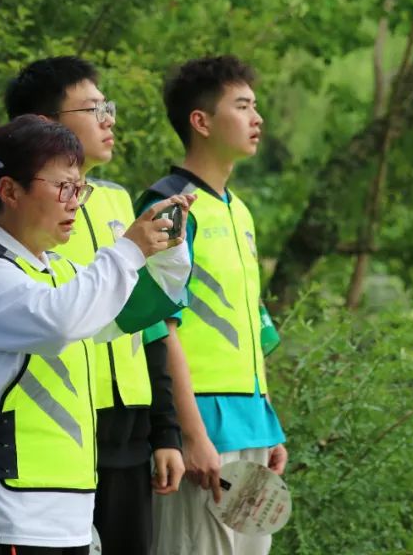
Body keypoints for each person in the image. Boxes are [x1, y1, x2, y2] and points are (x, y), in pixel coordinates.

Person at [0, 115, 195, 554]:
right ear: (10, 191)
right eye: (63, 188)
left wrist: (167, 248)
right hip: (5, 521)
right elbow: (62, 321)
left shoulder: (60, 275)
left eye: (80, 189)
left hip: (66, 520)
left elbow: (137, 310)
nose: (76, 203)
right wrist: (129, 248)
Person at [4, 56, 185, 555]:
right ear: (45, 126)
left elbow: (146, 325)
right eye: (93, 108)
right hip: (64, 441)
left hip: (129, 437)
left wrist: (165, 432)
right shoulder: (29, 216)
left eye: (109, 105)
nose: (109, 119)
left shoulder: (117, 202)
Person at [143, 56, 289, 555]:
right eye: (242, 105)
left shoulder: (240, 210)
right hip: (202, 430)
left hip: (251, 426)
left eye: (256, 106)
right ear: (200, 122)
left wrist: (269, 423)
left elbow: (250, 331)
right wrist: (189, 432)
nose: (257, 118)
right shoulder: (170, 205)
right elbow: (159, 326)